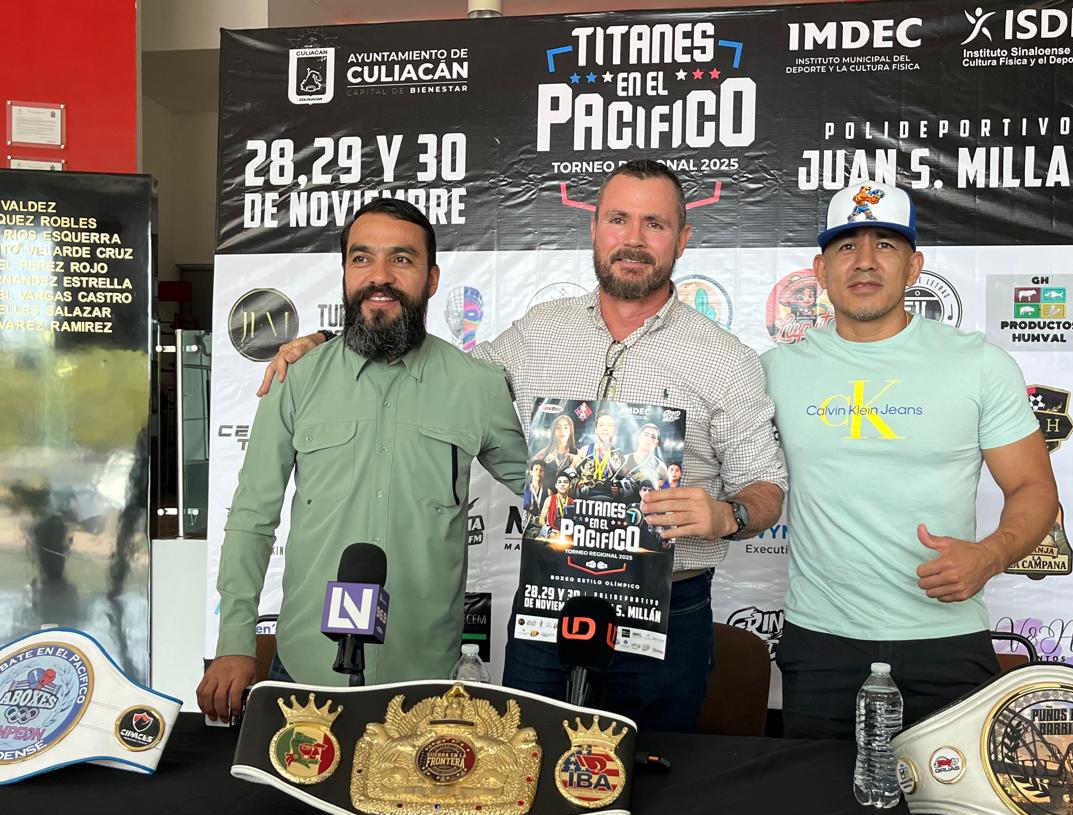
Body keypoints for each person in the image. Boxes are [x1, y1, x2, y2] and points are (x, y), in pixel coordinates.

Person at [258, 160, 787, 732]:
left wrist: (728, 515)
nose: (633, 239)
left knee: (657, 765)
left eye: (654, 224)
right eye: (618, 220)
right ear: (594, 230)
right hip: (549, 602)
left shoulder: (726, 359)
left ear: (682, 240)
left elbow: (767, 488)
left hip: (665, 605)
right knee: (527, 759)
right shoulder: (539, 330)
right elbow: (442, 375)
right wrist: (330, 346)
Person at [196, 198, 527, 720]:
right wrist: (235, 639)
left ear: (432, 279)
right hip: (306, 670)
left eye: (402, 259)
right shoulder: (296, 379)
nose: (380, 276)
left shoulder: (478, 386)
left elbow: (549, 493)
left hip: (425, 676)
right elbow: (252, 517)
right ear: (345, 272)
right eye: (361, 258)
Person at [762, 182, 1059, 739]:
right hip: (821, 642)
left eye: (886, 244)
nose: (865, 261)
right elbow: (739, 475)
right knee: (814, 794)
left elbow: (1033, 488)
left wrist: (990, 554)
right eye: (846, 246)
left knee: (948, 796)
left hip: (945, 641)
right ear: (820, 270)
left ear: (914, 266)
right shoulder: (774, 371)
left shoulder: (978, 364)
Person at [617, 422, 670, 488]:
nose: (649, 439)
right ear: (639, 437)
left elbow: (667, 488)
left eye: (653, 437)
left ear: (656, 442)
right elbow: (616, 484)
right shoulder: (625, 460)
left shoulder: (660, 466)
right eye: (646, 435)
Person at [536, 471, 575, 538]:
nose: (562, 484)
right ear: (556, 485)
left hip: (566, 536)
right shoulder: (549, 499)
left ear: (570, 486)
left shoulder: (573, 502)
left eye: (565, 482)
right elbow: (541, 520)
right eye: (559, 482)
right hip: (551, 534)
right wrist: (549, 531)